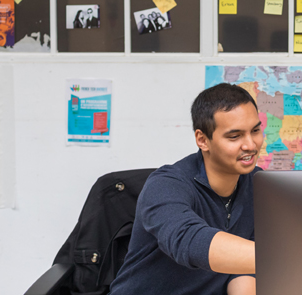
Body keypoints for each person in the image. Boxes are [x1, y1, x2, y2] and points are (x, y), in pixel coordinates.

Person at [109, 83, 262, 295]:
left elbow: (243, 271)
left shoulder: (259, 185)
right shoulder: (165, 185)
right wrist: (284, 259)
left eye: (255, 131)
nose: (251, 145)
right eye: (234, 136)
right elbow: (189, 241)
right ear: (202, 140)